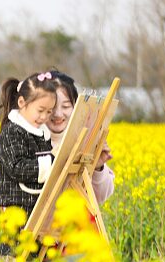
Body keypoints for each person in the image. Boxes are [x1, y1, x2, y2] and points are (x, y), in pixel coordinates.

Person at [0, 71, 59, 262]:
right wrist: (50, 164)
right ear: (22, 103)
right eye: (40, 110)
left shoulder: (39, 132)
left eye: (49, 112)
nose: (45, 117)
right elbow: (17, 168)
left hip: (34, 209)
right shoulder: (12, 132)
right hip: (18, 210)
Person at [48, 71, 115, 203]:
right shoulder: (28, 140)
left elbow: (101, 197)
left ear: (76, 107)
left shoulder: (83, 141)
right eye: (52, 107)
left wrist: (98, 167)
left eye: (65, 106)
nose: (58, 114)